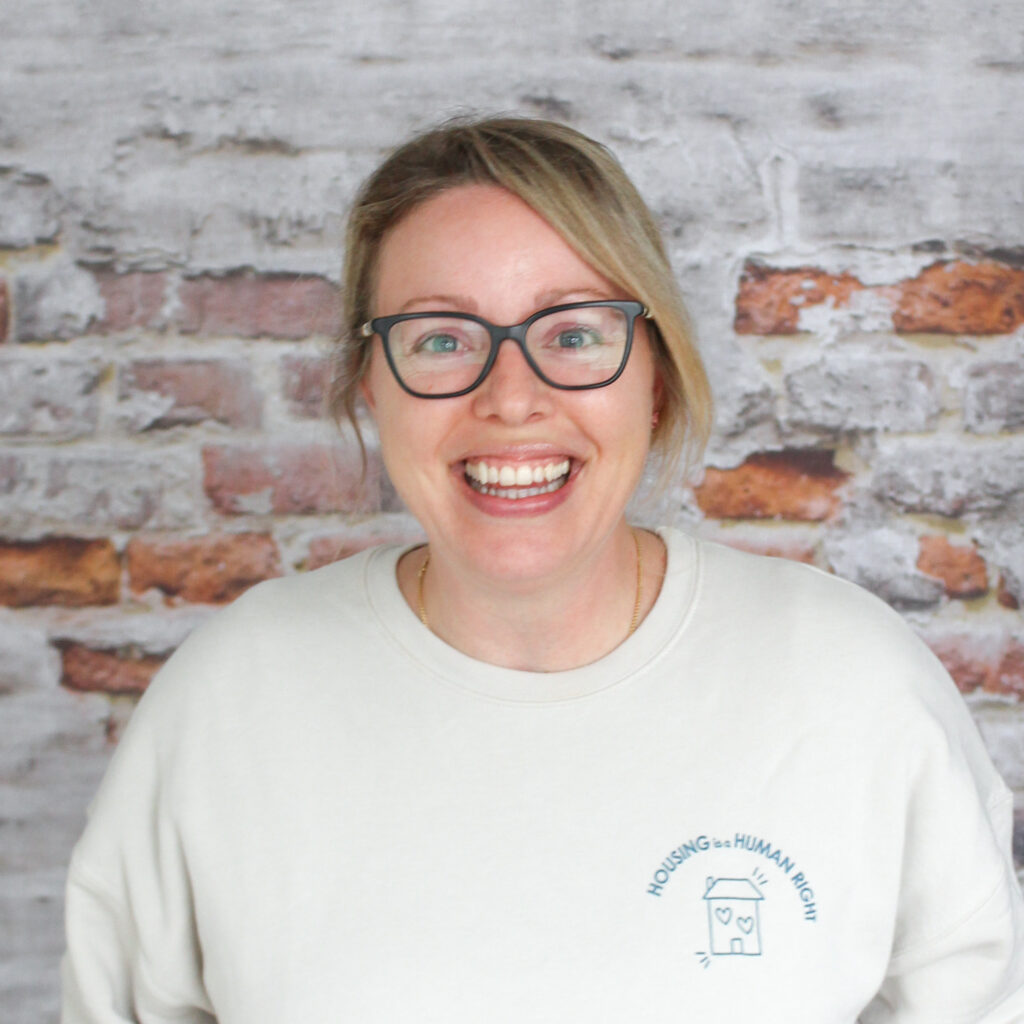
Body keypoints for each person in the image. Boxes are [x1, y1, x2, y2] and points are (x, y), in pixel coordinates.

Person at [62, 117, 1024, 1023]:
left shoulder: (854, 687)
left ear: (654, 375)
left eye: (573, 334)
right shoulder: (228, 703)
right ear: (370, 385)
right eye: (442, 340)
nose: (511, 399)